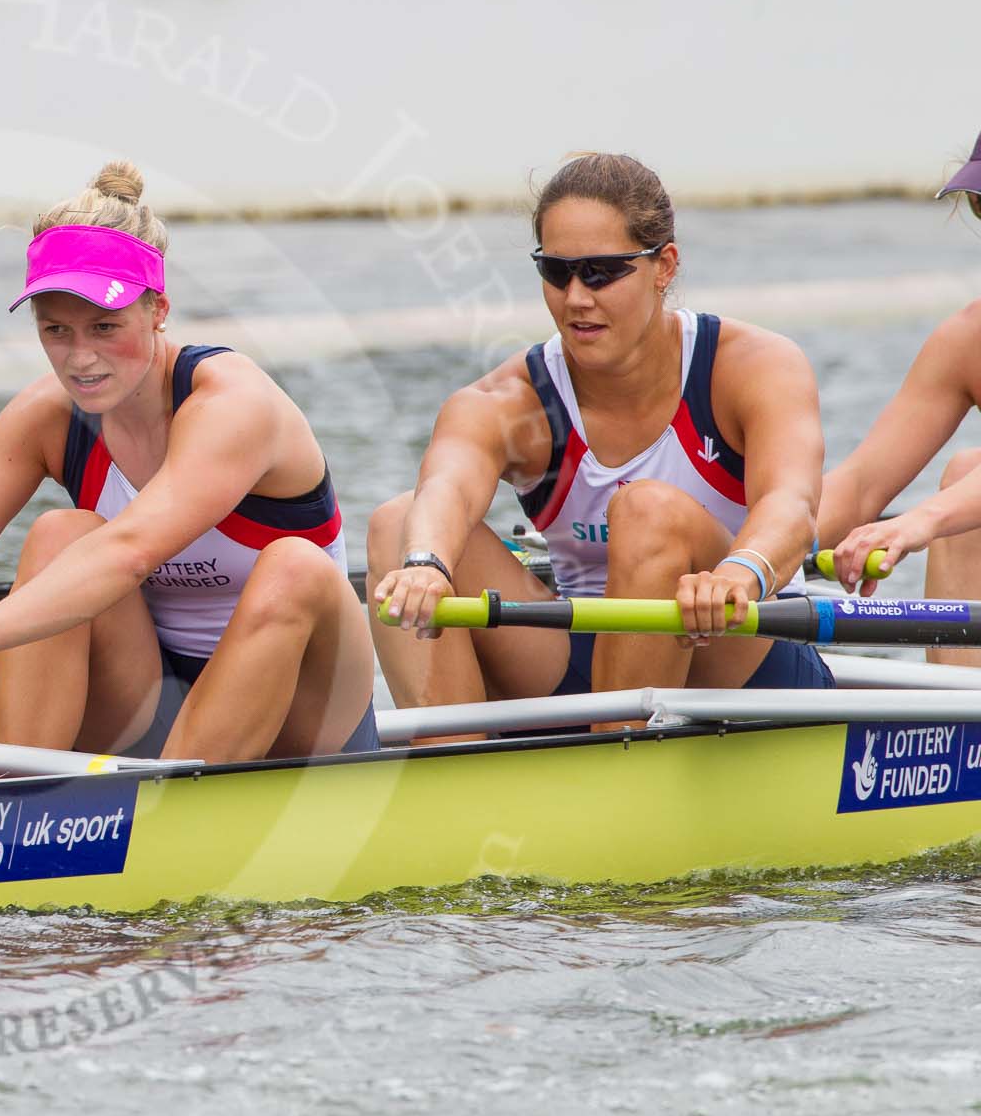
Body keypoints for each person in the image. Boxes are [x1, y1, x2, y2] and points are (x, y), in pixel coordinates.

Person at [0, 161, 377, 762]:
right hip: (156, 697)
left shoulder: (232, 403)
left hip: (308, 706)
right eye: (56, 330)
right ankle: (12, 807)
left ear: (158, 310)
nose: (81, 359)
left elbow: (128, 553)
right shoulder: (47, 417)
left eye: (105, 327)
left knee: (293, 567)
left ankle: (176, 817)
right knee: (60, 534)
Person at [368, 152, 831, 713]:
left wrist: (738, 573)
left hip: (741, 652)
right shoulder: (506, 401)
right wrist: (425, 564)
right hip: (580, 661)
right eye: (556, 272)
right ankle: (448, 770)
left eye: (601, 272)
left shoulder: (753, 366)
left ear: (664, 267)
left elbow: (792, 504)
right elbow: (447, 487)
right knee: (399, 524)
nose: (576, 298)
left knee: (647, 510)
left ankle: (611, 764)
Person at [819, 133, 981, 664]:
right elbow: (860, 484)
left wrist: (923, 520)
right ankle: (962, 732)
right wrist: (739, 551)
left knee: (964, 477)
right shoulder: (966, 341)